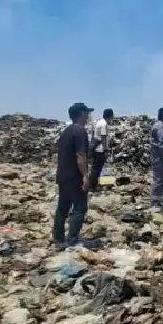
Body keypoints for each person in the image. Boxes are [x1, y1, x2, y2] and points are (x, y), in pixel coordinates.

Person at [53, 102, 93, 248]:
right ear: (82, 114)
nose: (88, 116)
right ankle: (72, 240)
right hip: (75, 176)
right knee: (80, 208)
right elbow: (80, 156)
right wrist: (85, 176)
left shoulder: (66, 131)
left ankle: (58, 239)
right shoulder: (80, 131)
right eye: (87, 113)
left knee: (62, 208)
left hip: (63, 175)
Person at [149, 107, 163, 207]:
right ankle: (155, 201)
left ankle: (159, 199)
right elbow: (162, 143)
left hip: (158, 156)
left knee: (162, 178)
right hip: (160, 157)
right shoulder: (160, 127)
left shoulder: (159, 125)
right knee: (159, 179)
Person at [88, 108, 113, 191]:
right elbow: (103, 138)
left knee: (96, 168)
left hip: (97, 149)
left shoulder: (99, 122)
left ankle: (93, 184)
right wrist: (106, 150)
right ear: (110, 116)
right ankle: (92, 186)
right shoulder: (104, 124)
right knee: (97, 168)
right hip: (100, 149)